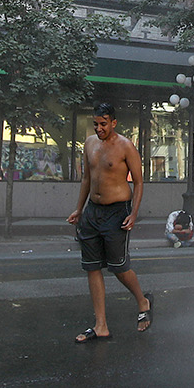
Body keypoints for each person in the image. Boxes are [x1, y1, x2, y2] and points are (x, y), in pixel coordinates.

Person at [67, 102, 152, 342]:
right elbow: (86, 178)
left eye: (103, 123)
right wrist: (79, 209)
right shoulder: (89, 144)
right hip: (93, 212)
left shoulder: (125, 146)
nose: (99, 128)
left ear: (113, 122)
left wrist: (133, 213)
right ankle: (100, 325)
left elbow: (139, 182)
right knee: (92, 266)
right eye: (95, 124)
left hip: (117, 212)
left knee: (119, 267)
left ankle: (142, 301)